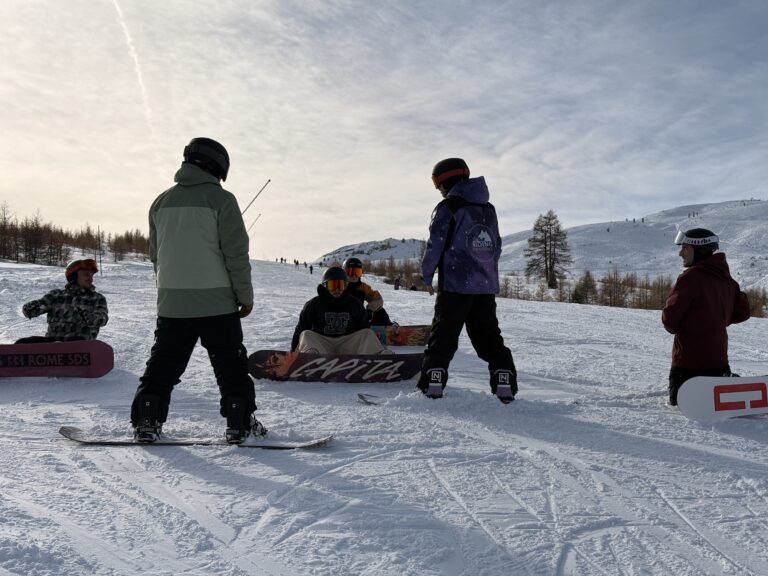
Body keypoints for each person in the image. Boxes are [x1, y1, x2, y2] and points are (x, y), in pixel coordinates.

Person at [130, 137, 264, 444]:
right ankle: (239, 423)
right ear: (217, 165)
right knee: (230, 365)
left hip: (172, 303)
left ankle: (147, 420)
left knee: (163, 364)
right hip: (217, 303)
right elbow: (235, 255)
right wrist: (244, 297)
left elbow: (156, 256)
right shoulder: (222, 200)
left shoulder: (160, 202)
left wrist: (169, 292)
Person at [419, 158, 517, 403]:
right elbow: (496, 245)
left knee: (444, 333)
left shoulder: (449, 207)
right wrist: (485, 274)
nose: (438, 189)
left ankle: (433, 381)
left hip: (455, 284)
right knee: (487, 335)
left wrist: (427, 274)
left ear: (445, 180)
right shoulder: (488, 209)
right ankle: (503, 380)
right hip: (484, 286)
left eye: (437, 183)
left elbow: (435, 243)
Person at [662, 228, 750, 406]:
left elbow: (670, 322)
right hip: (719, 364)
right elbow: (743, 312)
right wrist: (717, 317)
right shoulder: (727, 280)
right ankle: (732, 384)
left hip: (688, 368)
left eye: (685, 248)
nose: (680, 253)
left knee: (684, 407)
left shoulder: (689, 278)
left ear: (698, 249)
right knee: (716, 407)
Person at [291, 266, 391, 354]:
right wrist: (292, 353)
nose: (337, 289)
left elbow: (364, 327)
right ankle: (310, 358)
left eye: (341, 285)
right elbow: (301, 328)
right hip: (322, 345)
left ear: (346, 286)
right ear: (325, 286)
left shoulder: (355, 304)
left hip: (348, 343)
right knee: (306, 335)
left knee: (367, 333)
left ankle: (378, 358)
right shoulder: (314, 304)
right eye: (333, 285)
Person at [16, 258, 108, 344]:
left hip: (81, 345)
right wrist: (31, 308)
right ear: (74, 276)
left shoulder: (96, 298)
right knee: (22, 343)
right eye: (86, 274)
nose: (91, 278)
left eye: (91, 275)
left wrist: (92, 318)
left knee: (75, 341)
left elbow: (103, 318)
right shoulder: (56, 295)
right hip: (54, 345)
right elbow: (41, 305)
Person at [342, 257, 394, 326]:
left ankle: (386, 330)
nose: (354, 276)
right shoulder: (339, 286)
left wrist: (369, 310)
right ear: (344, 273)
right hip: (341, 318)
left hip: (358, 318)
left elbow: (377, 299)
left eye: (357, 272)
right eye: (350, 272)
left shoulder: (363, 287)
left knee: (381, 312)